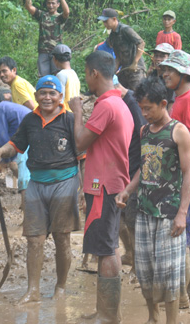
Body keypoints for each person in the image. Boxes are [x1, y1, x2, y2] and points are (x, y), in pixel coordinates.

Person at [0, 75, 82, 304]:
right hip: (36, 184)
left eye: (52, 93)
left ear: (60, 96)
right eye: (42, 93)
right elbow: (15, 144)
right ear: (36, 95)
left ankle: (60, 287)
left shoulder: (70, 120)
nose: (47, 97)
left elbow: (83, 155)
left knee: (62, 237)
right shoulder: (30, 120)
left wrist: (86, 189)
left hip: (65, 183)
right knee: (34, 240)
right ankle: (33, 290)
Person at [115, 76, 190, 324]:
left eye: (148, 108)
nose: (144, 113)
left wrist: (183, 213)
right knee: (145, 271)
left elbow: (188, 173)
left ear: (163, 103)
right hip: (145, 212)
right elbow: (144, 167)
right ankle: (153, 317)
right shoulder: (144, 131)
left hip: (169, 214)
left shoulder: (179, 132)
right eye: (142, 108)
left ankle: (172, 321)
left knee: (169, 274)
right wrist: (127, 190)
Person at [69, 51, 133, 323]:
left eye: (86, 73)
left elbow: (80, 142)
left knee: (105, 248)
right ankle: (107, 311)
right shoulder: (120, 104)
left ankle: (107, 316)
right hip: (112, 182)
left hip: (104, 185)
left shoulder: (106, 107)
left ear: (94, 73)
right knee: (110, 246)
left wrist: (78, 112)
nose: (86, 79)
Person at [161, 50, 190, 306]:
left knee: (186, 226)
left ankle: (187, 295)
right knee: (188, 225)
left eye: (171, 70)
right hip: (181, 170)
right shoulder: (179, 97)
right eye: (164, 70)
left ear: (184, 74)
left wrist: (173, 132)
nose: (165, 73)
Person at [114, 76, 147, 271]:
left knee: (133, 218)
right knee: (120, 217)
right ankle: (131, 253)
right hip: (123, 166)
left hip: (135, 167)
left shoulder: (133, 102)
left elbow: (143, 133)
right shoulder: (121, 101)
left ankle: (138, 262)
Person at [0, 87, 31, 203]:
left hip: (27, 135)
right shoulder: (6, 105)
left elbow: (3, 135)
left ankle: (28, 190)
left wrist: (4, 156)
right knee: (8, 163)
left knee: (13, 164)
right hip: (29, 133)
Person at [22, 0, 70, 76]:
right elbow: (28, 6)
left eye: (53, 3)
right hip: (43, 51)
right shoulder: (42, 15)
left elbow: (67, 12)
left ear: (58, 5)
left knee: (57, 76)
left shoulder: (60, 18)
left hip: (56, 52)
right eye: (49, 3)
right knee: (44, 77)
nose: (51, 5)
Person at [97, 8, 146, 91]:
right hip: (125, 69)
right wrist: (113, 71)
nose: (104, 24)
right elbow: (118, 57)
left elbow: (141, 43)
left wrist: (135, 62)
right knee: (117, 91)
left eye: (106, 21)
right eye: (103, 22)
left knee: (138, 94)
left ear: (114, 19)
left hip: (136, 70)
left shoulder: (125, 30)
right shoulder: (112, 36)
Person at [52, 44, 80, 111]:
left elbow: (60, 98)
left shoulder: (61, 75)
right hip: (73, 112)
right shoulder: (73, 73)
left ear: (54, 59)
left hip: (65, 113)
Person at [149, 43, 176, 110]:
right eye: (156, 56)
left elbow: (171, 103)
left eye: (162, 56)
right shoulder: (153, 74)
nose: (158, 59)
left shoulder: (170, 79)